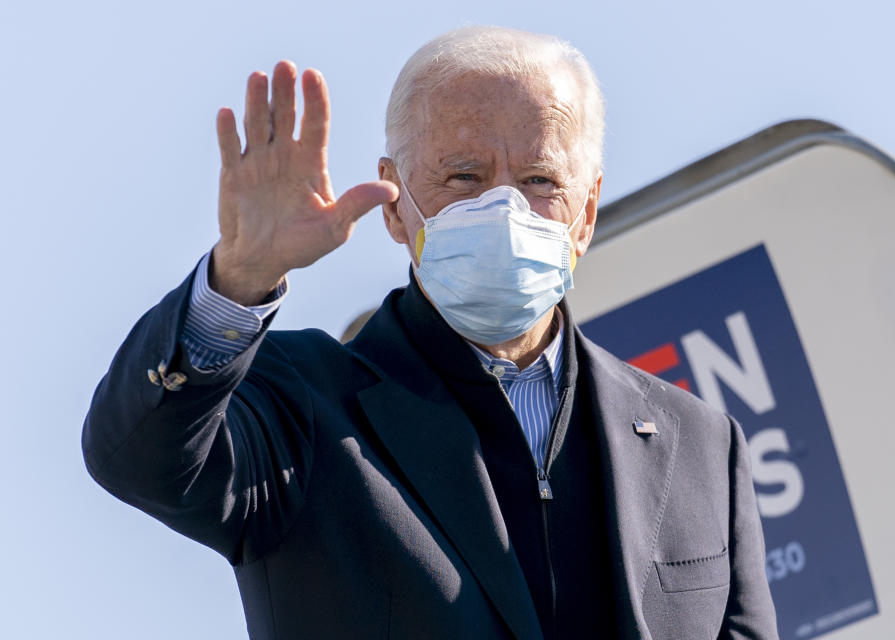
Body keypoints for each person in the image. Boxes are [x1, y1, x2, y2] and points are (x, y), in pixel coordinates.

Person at [83, 26, 778, 640]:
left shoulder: (700, 443)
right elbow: (139, 457)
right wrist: (238, 277)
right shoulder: (301, 406)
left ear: (586, 211)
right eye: (463, 175)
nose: (504, 206)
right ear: (394, 203)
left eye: (539, 178)